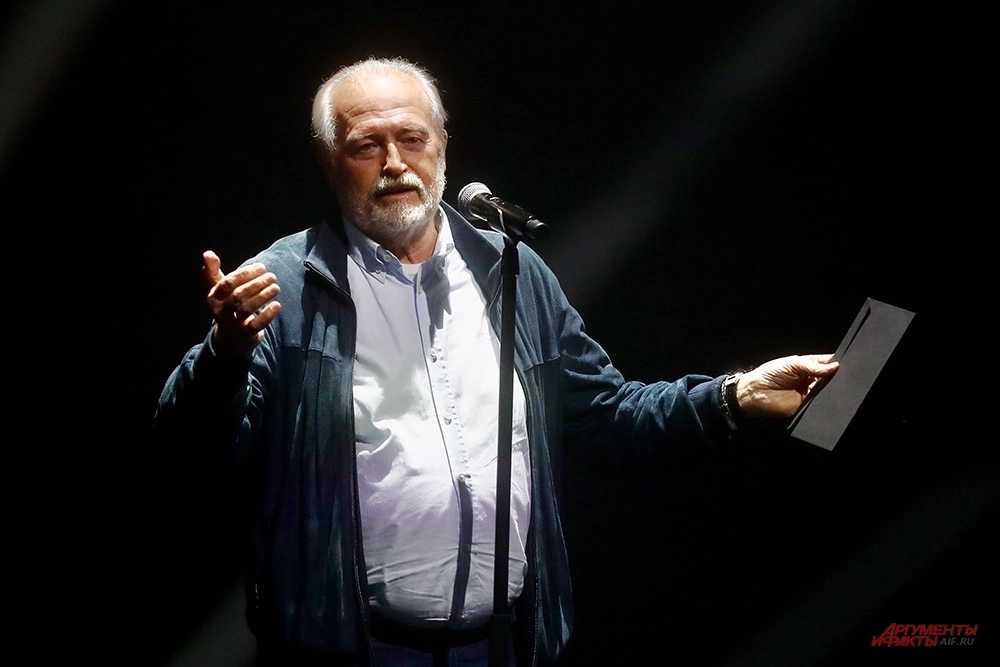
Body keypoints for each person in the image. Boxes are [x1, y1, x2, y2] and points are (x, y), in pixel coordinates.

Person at [154, 56, 838, 666]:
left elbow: (607, 414)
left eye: (412, 138)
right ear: (329, 161)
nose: (394, 162)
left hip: (509, 644)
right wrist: (225, 353)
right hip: (353, 648)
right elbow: (189, 446)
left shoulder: (510, 271)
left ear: (443, 145)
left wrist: (735, 396)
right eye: (366, 144)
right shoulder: (283, 285)